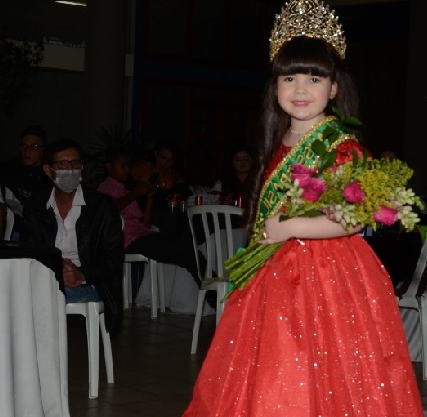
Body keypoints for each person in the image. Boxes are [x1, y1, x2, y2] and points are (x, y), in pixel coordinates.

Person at [153, 0, 427, 417]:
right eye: (290, 78)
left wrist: (285, 226)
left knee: (328, 380)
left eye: (313, 78)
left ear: (334, 87)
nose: (301, 89)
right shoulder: (276, 142)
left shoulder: (342, 145)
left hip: (333, 278)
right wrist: (271, 234)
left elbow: (352, 219)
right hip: (275, 278)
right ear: (275, 87)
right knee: (275, 381)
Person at [23, 138, 125, 336]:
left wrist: (82, 274)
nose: (69, 169)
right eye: (62, 164)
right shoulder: (36, 206)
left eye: (75, 163)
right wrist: (56, 269)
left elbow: (114, 257)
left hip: (91, 284)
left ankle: (44, 358)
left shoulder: (101, 206)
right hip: (47, 280)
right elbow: (29, 250)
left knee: (39, 299)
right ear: (48, 170)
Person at [97, 146, 203, 286]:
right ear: (109, 167)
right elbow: (108, 208)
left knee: (188, 249)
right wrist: (134, 193)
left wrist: (150, 197)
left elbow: (145, 224)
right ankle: (217, 294)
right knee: (187, 254)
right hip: (127, 240)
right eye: (122, 166)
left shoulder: (124, 190)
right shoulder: (104, 188)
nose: (127, 170)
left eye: (128, 166)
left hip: (142, 236)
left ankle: (216, 290)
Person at [0, 124, 53, 239]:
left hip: (34, 233)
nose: (27, 151)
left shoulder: (48, 177)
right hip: (5, 227)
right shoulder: (7, 169)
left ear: (43, 150)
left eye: (34, 146)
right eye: (24, 146)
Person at [209, 144, 256, 214]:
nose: (242, 162)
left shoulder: (258, 182)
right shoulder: (222, 183)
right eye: (238, 159)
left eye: (246, 159)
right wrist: (221, 200)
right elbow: (209, 200)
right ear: (232, 162)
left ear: (252, 162)